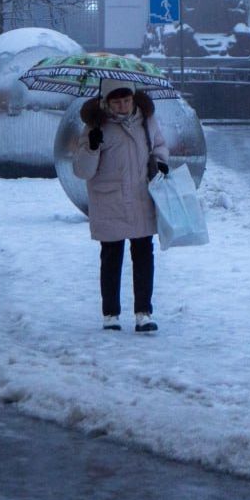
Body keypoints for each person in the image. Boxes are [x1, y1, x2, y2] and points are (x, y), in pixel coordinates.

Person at [73, 79, 169, 333]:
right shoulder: (95, 126)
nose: (123, 106)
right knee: (111, 256)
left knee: (143, 254)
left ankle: (143, 313)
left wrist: (160, 162)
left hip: (140, 196)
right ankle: (111, 314)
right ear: (106, 102)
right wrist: (92, 147)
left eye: (127, 100)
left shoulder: (146, 121)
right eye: (117, 102)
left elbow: (159, 146)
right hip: (109, 199)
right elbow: (82, 171)